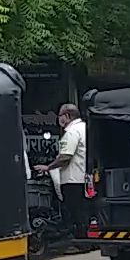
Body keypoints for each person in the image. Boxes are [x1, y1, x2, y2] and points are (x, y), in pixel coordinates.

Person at [34, 104, 88, 251]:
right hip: (83, 177)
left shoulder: (71, 132)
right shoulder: (85, 128)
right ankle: (86, 242)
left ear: (67, 116)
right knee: (83, 211)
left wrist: (48, 167)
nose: (59, 119)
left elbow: (65, 157)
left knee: (74, 212)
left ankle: (81, 243)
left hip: (72, 179)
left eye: (60, 116)